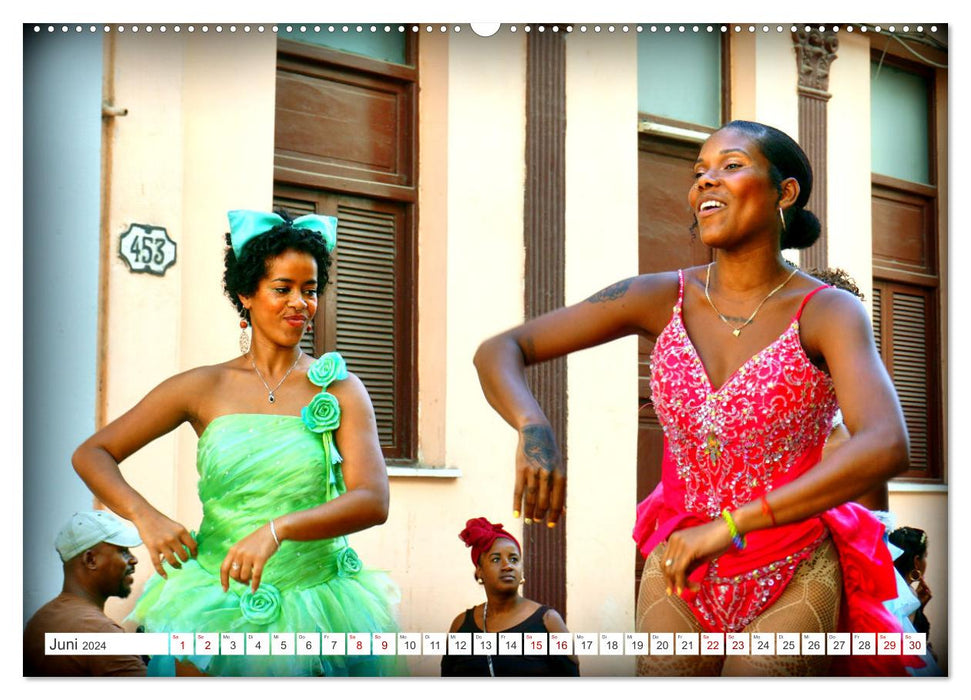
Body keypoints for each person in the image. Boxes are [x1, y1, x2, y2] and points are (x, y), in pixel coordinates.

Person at [474, 121, 915, 676]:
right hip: (680, 564)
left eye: (730, 166)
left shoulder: (829, 312)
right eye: (699, 171)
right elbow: (500, 349)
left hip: (794, 562)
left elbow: (885, 441)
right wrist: (532, 427)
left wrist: (731, 525)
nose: (706, 181)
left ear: (785, 193)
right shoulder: (659, 296)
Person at [72, 210, 401, 676]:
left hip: (320, 607)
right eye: (282, 288)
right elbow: (91, 453)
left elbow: (372, 500)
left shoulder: (342, 390)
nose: (300, 304)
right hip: (214, 600)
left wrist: (276, 530)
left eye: (309, 291)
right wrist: (145, 517)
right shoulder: (202, 386)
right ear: (246, 293)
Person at [441, 517, 579, 677]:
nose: (508, 566)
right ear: (479, 570)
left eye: (514, 559)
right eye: (496, 559)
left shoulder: (548, 622)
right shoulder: (461, 626)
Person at [24, 510, 147, 676]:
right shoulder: (100, 633)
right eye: (123, 551)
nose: (134, 560)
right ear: (91, 560)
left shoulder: (39, 620)